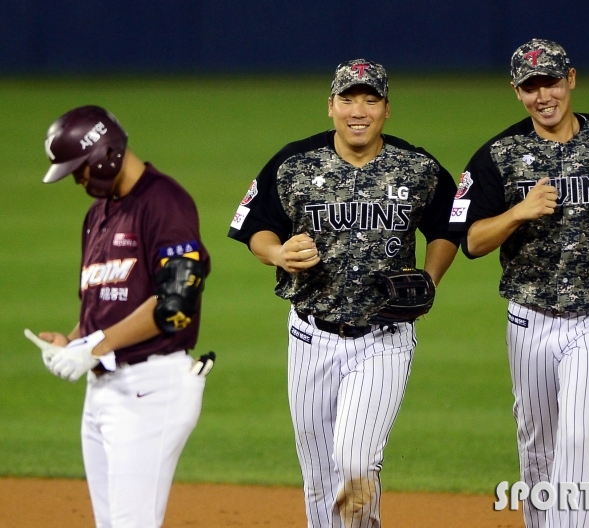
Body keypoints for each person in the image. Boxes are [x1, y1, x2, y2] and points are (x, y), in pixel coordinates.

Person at [228, 59, 459, 527]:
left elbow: (448, 227)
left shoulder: (417, 167)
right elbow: (254, 228)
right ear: (330, 106)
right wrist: (277, 254)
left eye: (370, 99)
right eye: (348, 99)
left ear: (386, 109)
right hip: (310, 337)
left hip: (384, 338)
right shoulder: (294, 162)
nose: (359, 110)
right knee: (317, 475)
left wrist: (430, 280)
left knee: (355, 461)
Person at [450, 39, 589, 527]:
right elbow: (473, 241)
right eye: (530, 86)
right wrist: (518, 212)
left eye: (550, 81)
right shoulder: (498, 156)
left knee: (578, 434)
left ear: (570, 78)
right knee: (537, 444)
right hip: (529, 319)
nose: (542, 95)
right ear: (516, 92)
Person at [24, 105, 214, 528]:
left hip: (151, 390)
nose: (77, 179)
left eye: (79, 169)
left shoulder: (164, 202)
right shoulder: (98, 215)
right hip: (104, 390)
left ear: (104, 154)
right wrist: (72, 341)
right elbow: (103, 306)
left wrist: (94, 345)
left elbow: (176, 303)